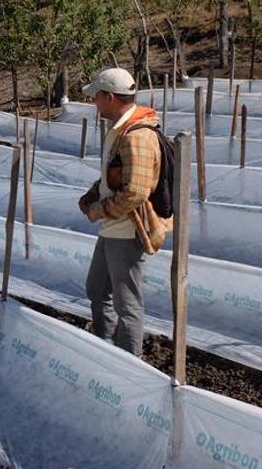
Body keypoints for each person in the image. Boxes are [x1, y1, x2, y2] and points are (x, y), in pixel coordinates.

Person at [78, 68, 172, 357]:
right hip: (113, 228)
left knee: (126, 303)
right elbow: (115, 175)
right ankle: (106, 351)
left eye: (96, 96)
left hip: (128, 230)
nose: (94, 102)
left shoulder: (137, 136)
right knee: (97, 289)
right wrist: (94, 192)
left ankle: (128, 365)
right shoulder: (120, 130)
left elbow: (136, 192)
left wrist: (98, 210)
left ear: (109, 97)